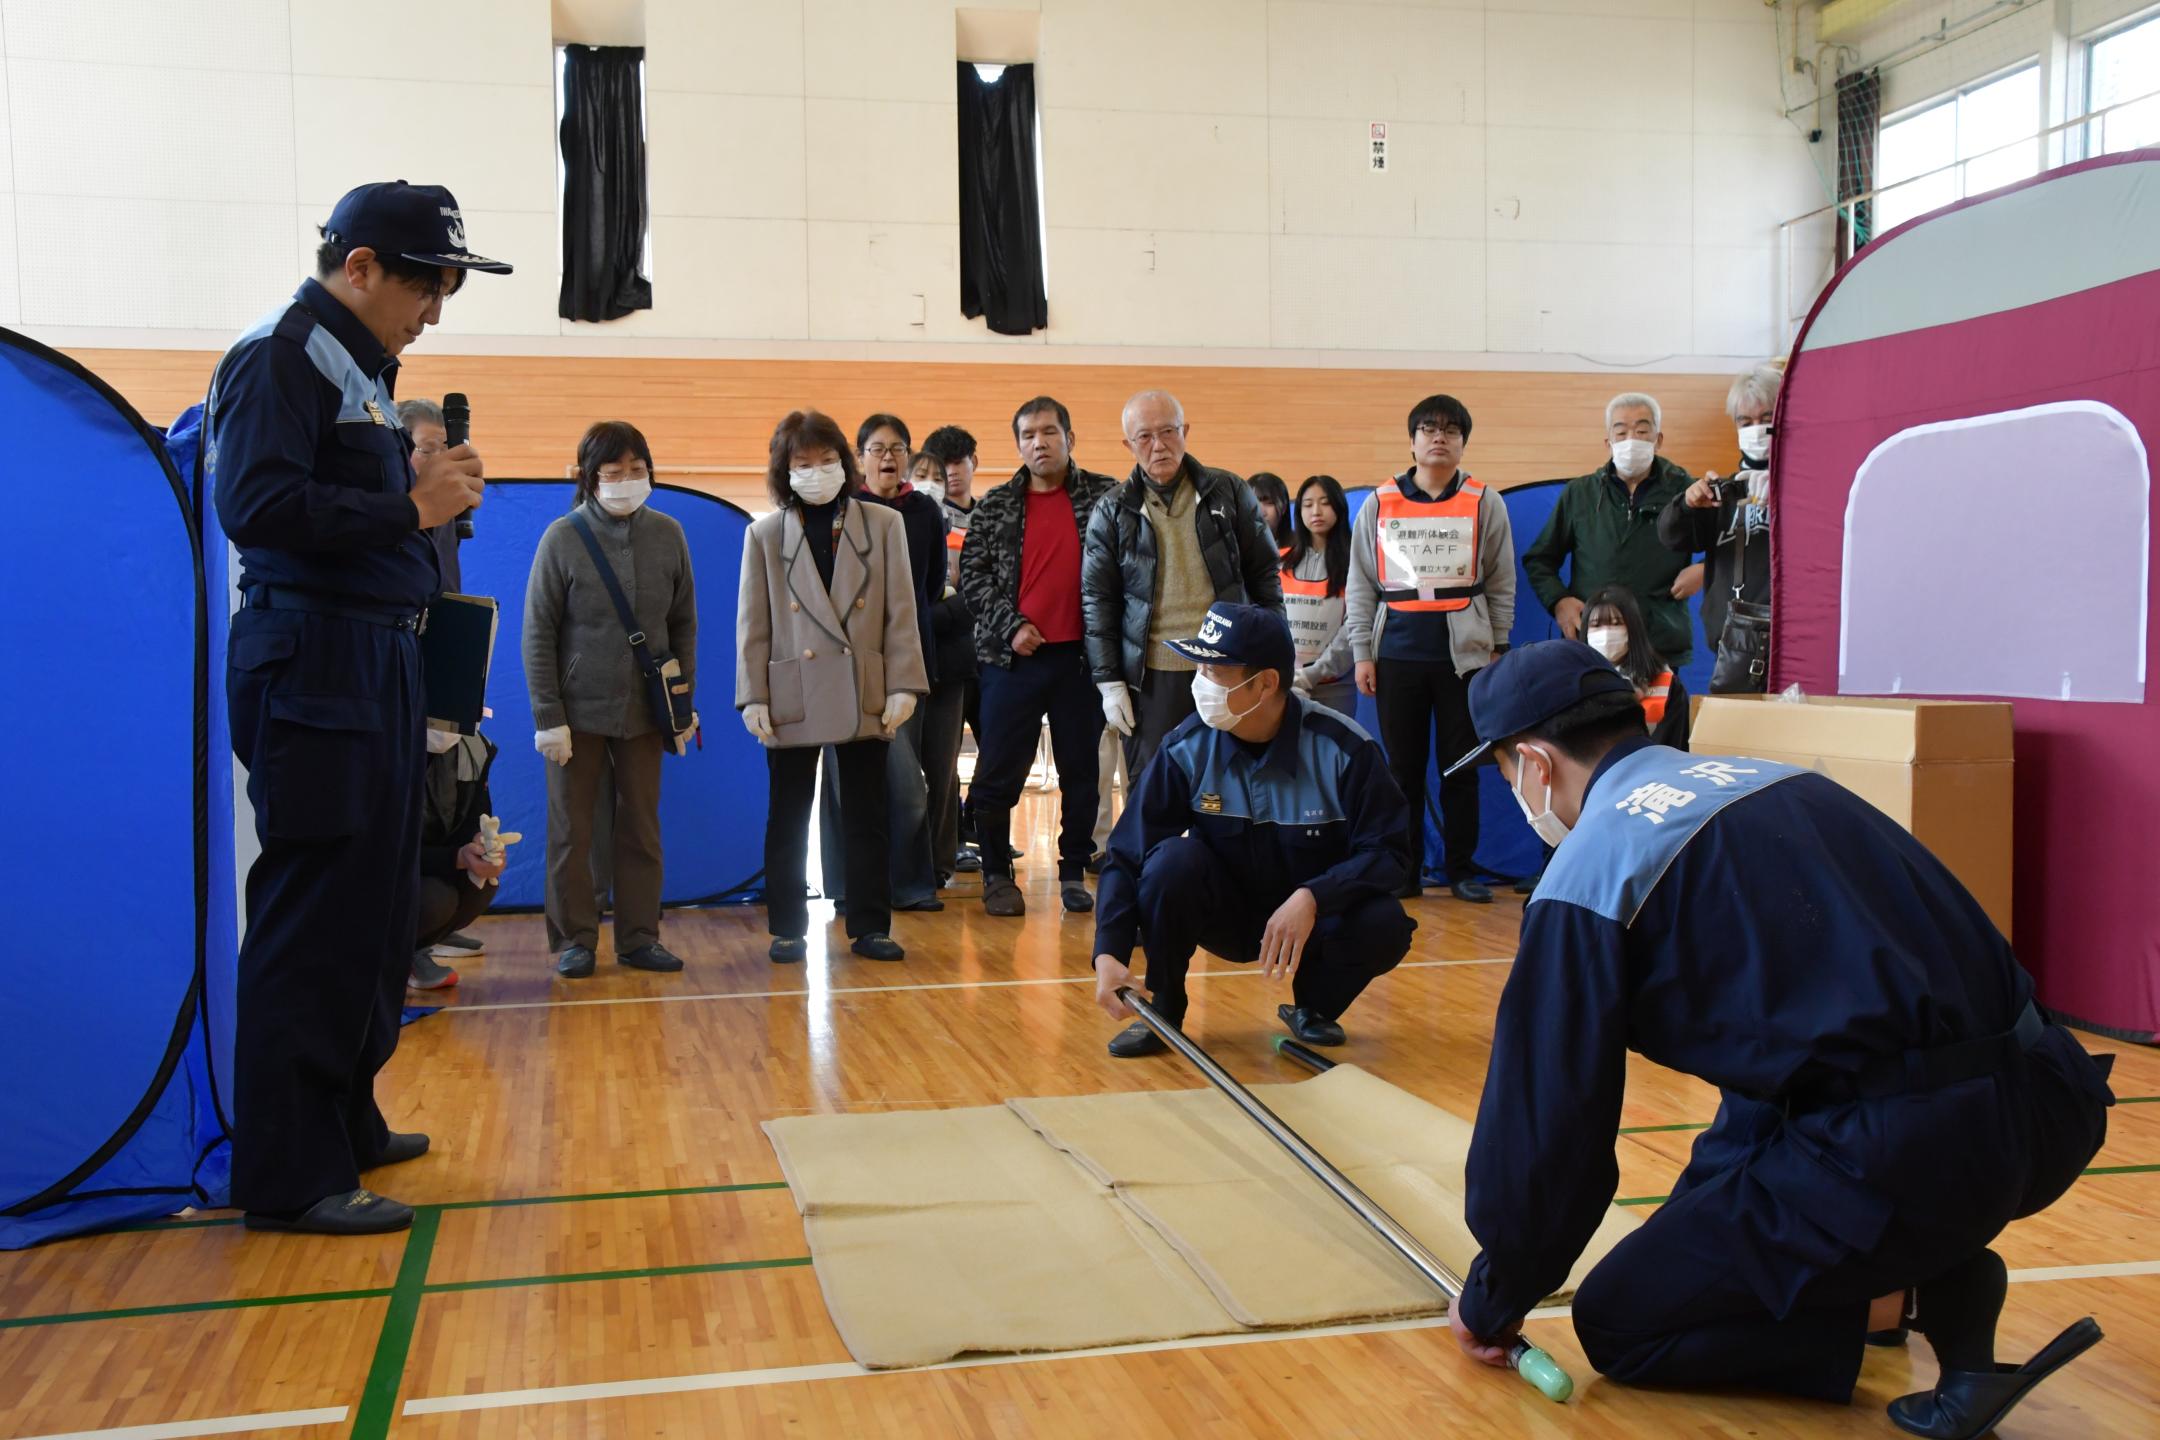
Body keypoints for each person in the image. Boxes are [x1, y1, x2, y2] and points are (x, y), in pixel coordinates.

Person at [1442, 642, 2115, 1438]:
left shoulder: (1591, 872)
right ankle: (1929, 1276)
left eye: (1506, 775)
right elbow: (1778, 1059)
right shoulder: (1768, 779)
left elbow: (1549, 1128)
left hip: (1911, 1148)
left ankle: (1913, 1292)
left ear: (1533, 763)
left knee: (1623, 1320)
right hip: (2047, 1103)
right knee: (1711, 1219)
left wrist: (1496, 1295)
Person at [212, 180, 505, 1235]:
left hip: (374, 661)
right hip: (313, 664)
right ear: (362, 266)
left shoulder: (362, 370)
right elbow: (255, 504)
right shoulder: (281, 354)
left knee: (378, 909)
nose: (435, 308)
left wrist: (419, 492)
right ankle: (291, 1174)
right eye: (426, 284)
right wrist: (406, 503)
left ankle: (346, 1117)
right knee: (316, 915)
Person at [1091, 604, 1415, 1058]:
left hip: (1311, 925)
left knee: (1385, 922)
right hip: (1227, 915)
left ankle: (1315, 1007)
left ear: (1265, 684)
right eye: (1198, 666)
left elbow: (1390, 854)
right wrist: (1109, 953)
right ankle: (1164, 1010)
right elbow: (1127, 854)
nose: (1199, 682)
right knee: (1169, 863)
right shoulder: (1185, 748)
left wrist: (1314, 896)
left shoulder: (1346, 750)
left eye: (1214, 669)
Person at [736, 409, 928, 964]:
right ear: (784, 471)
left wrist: (904, 684)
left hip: (863, 685)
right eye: (802, 463)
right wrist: (752, 696)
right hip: (792, 689)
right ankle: (787, 925)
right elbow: (754, 624)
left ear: (845, 464)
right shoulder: (764, 535)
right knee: (788, 814)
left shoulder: (883, 525)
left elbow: (900, 611)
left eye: (825, 461)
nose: (815, 471)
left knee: (869, 812)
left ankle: (870, 925)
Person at [524, 420, 698, 980]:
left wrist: (683, 706)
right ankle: (576, 939)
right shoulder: (562, 537)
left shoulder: (669, 534)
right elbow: (538, 633)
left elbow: (683, 626)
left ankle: (640, 936)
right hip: (576, 716)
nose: (627, 480)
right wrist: (549, 716)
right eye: (613, 472)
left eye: (637, 470)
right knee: (573, 830)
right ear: (589, 477)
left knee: (640, 826)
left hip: (647, 713)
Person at [1344, 395, 1516, 904]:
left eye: (1450, 430)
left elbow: (1502, 580)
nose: (1439, 437)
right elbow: (1359, 583)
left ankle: (1462, 870)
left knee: (1461, 768)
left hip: (1466, 658)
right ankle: (1406, 870)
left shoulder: (1485, 501)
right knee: (1401, 772)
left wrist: (1500, 646)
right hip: (1396, 655)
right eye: (1428, 428)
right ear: (1413, 441)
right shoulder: (1379, 502)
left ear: (1463, 442)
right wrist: (1361, 652)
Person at [957, 395, 1119, 917]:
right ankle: (997, 874)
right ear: (1018, 444)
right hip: (1013, 661)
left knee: (1081, 772)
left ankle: (1073, 869)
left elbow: (1128, 571)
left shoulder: (1107, 499)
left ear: (1070, 439)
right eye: (1028, 435)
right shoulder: (995, 505)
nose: (1039, 442)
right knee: (999, 770)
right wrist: (1012, 627)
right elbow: (973, 579)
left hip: (1082, 662)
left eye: (1049, 432)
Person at [1083, 389, 1284, 778]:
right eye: (1144, 436)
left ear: (1185, 431)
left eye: (1168, 431)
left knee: (1233, 780)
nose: (1158, 445)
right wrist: (1109, 681)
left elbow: (1264, 575)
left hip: (1228, 666)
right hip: (1152, 675)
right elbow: (1098, 601)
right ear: (1128, 444)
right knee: (1154, 787)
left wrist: (1273, 651)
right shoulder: (1111, 510)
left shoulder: (1229, 491)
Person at [817, 415, 944, 913]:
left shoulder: (925, 513)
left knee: (908, 785)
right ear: (860, 456)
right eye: (876, 448)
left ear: (908, 455)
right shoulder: (838, 512)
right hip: (843, 669)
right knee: (845, 786)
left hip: (907, 664)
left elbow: (929, 587)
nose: (887, 457)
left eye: (897, 448)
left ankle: (910, 885)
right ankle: (850, 889)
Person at [395, 396, 487, 982]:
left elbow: (446, 593)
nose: (440, 460)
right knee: (401, 812)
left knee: (455, 806)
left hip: (442, 666)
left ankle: (433, 932)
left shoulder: (449, 516)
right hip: (396, 678)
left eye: (444, 448)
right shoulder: (394, 513)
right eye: (427, 449)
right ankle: (402, 944)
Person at [1523, 391, 1700, 668]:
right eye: (1621, 432)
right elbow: (1539, 559)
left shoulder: (1686, 490)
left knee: (1657, 712)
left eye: (1642, 430)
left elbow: (1733, 546)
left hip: (1659, 640)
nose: (1632, 439)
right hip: (1592, 640)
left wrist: (1707, 569)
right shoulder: (1580, 494)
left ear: (1658, 439)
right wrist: (1559, 601)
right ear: (1608, 442)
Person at [1661, 363, 1779, 694]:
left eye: (1767, 419)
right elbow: (1672, 536)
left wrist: (1790, 490)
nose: (1756, 429)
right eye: (1746, 422)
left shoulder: (1811, 488)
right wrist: (1686, 503)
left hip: (1795, 641)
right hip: (1736, 643)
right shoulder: (1723, 492)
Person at [922, 424, 984, 876]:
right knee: (942, 761)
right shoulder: (924, 516)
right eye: (944, 469)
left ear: (973, 464)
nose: (953, 475)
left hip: (988, 658)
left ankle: (976, 826)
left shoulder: (988, 518)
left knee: (999, 749)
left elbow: (985, 587)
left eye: (959, 464)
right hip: (940, 654)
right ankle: (952, 843)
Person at [410, 728, 507, 990]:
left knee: (483, 883)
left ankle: (422, 942)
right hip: (378, 879)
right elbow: (383, 851)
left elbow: (476, 819)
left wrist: (483, 847)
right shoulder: (389, 745)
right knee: (437, 900)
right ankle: (392, 953)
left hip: (432, 862)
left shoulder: (475, 748)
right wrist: (456, 857)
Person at [1582, 584, 1689, 749]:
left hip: (1651, 770)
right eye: (1596, 625)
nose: (1606, 633)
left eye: (1616, 623)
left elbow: (1674, 744)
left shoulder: (1666, 684)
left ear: (1633, 628)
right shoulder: (1575, 684)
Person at [1283, 475, 1356, 715]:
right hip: (1284, 684)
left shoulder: (1355, 562)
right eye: (1307, 504)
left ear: (1339, 507)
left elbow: (1354, 627)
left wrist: (1313, 674)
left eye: (1325, 503)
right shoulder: (1279, 561)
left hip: (1336, 688)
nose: (1316, 511)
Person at [1248, 471, 1293, 550]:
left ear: (1284, 507)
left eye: (1269, 503)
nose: (1261, 512)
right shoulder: (1233, 549)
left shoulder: (1299, 549)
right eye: (1253, 504)